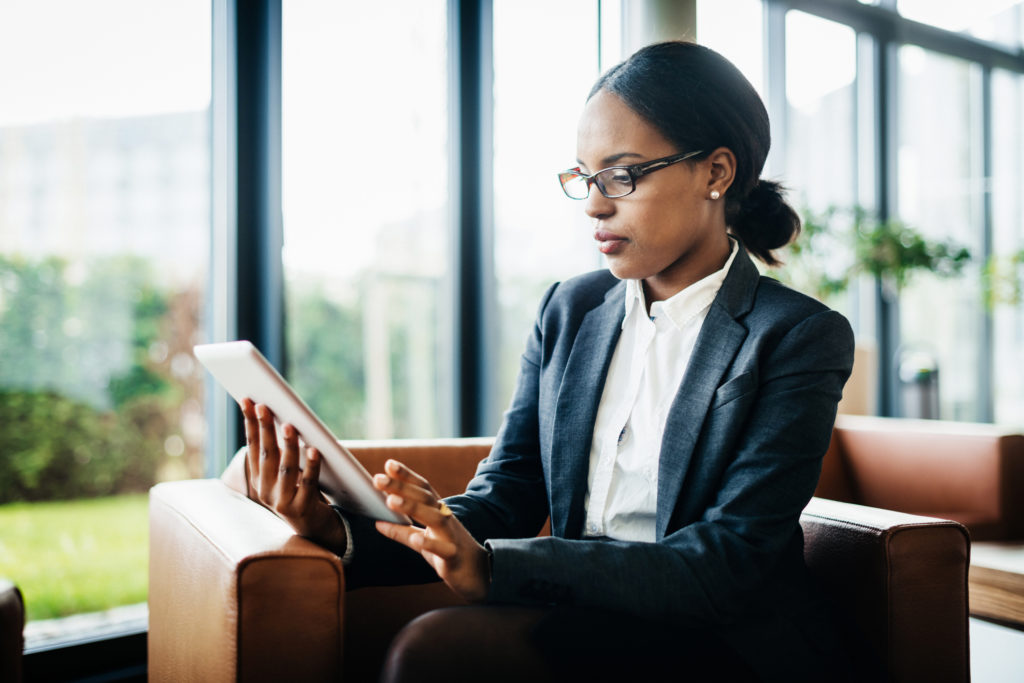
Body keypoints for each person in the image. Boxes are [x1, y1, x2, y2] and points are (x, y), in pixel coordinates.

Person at [239, 40, 855, 682]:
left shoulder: (798, 336)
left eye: (622, 175)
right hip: (589, 616)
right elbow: (503, 499)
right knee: (434, 650)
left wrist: (499, 568)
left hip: (727, 643)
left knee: (435, 652)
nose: (593, 204)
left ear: (716, 173)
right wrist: (335, 528)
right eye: (585, 178)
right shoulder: (569, 310)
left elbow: (728, 563)